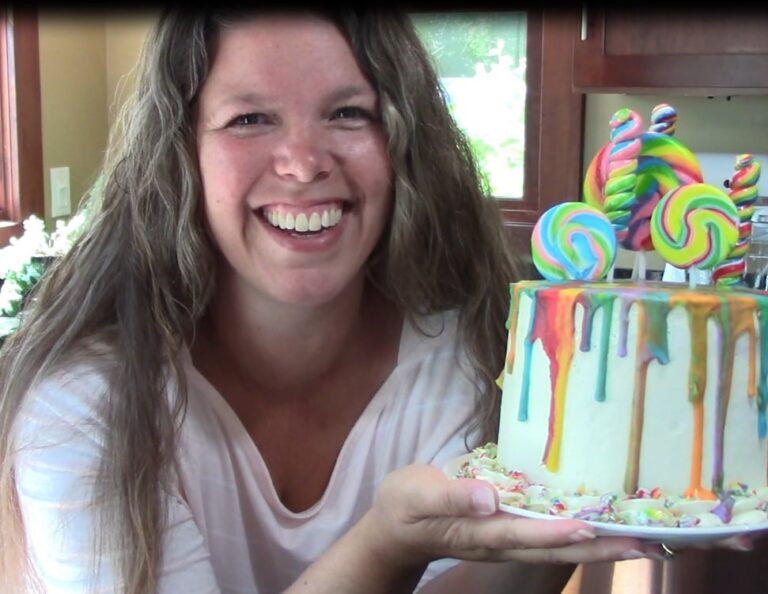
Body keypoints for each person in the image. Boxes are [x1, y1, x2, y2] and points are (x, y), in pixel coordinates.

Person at [0, 7, 687, 594]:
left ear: (402, 145)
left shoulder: (473, 366)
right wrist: (386, 543)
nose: (303, 162)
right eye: (249, 119)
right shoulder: (88, 405)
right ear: (182, 156)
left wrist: (551, 542)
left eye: (349, 113)